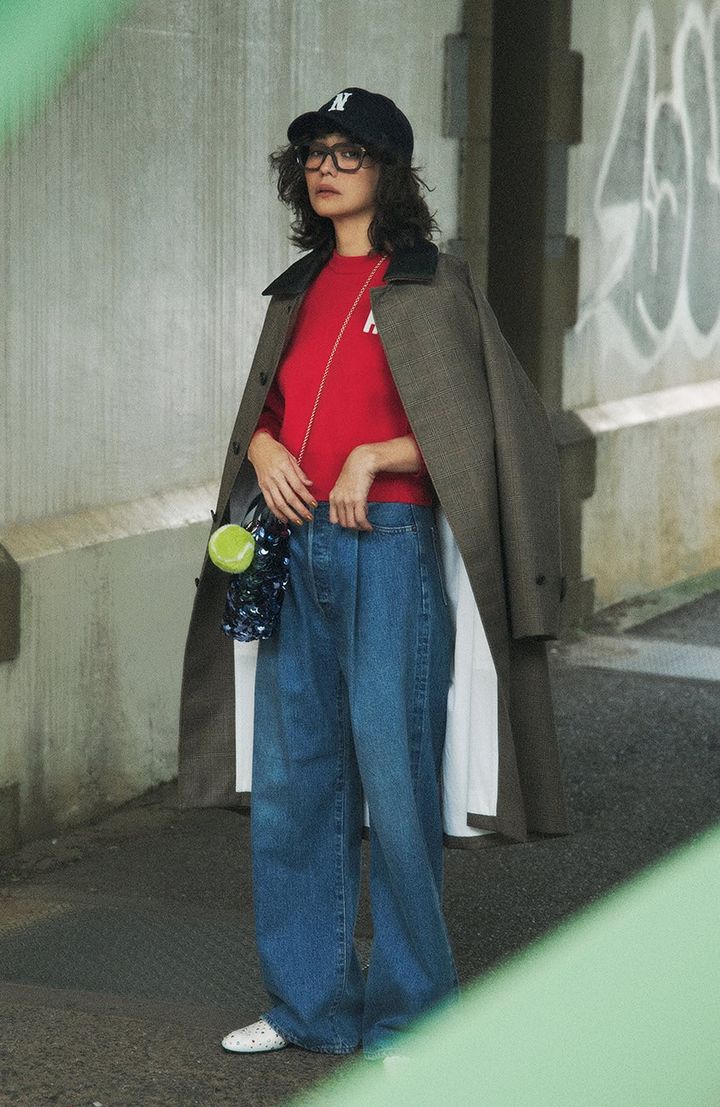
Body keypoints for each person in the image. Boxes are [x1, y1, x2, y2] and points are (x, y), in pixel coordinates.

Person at [177, 87, 569, 1063]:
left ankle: (411, 1016)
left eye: (347, 153)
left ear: (386, 171)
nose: (325, 168)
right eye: (313, 153)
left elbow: (488, 430)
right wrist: (264, 449)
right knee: (292, 787)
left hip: (388, 549)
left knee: (395, 785)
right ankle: (308, 1006)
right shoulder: (299, 288)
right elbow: (271, 410)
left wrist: (376, 457)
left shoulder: (433, 285)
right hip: (292, 548)